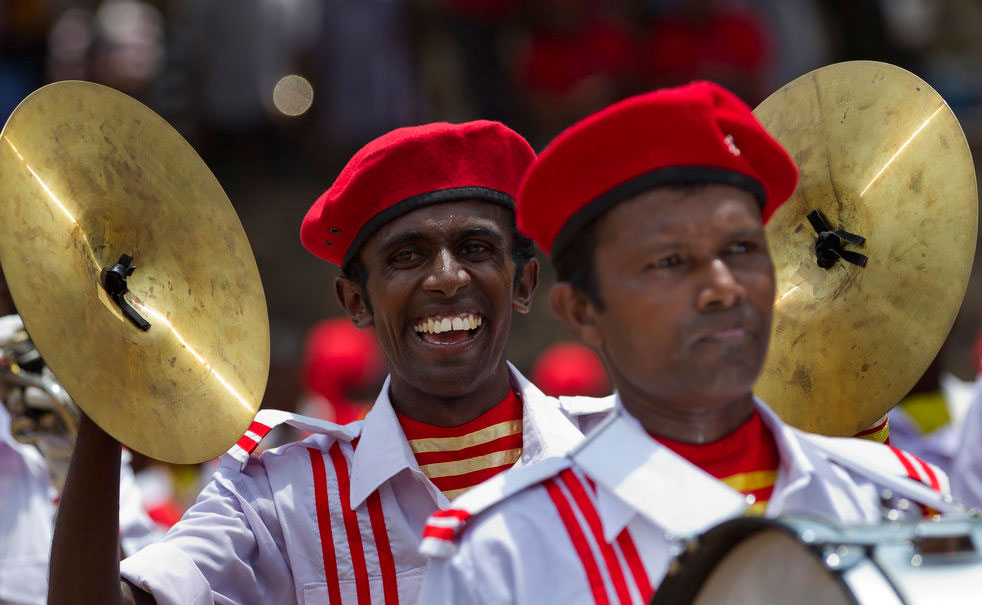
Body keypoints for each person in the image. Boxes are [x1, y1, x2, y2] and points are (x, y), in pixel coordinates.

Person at [418, 83, 958, 604]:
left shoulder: (902, 499)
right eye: (669, 262)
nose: (723, 287)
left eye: (743, 247)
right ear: (581, 312)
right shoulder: (500, 556)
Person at [48, 120, 612, 604]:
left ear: (525, 282)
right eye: (408, 256)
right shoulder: (276, 499)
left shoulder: (620, 451)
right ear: (355, 302)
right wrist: (104, 392)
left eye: (476, 248)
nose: (446, 278)